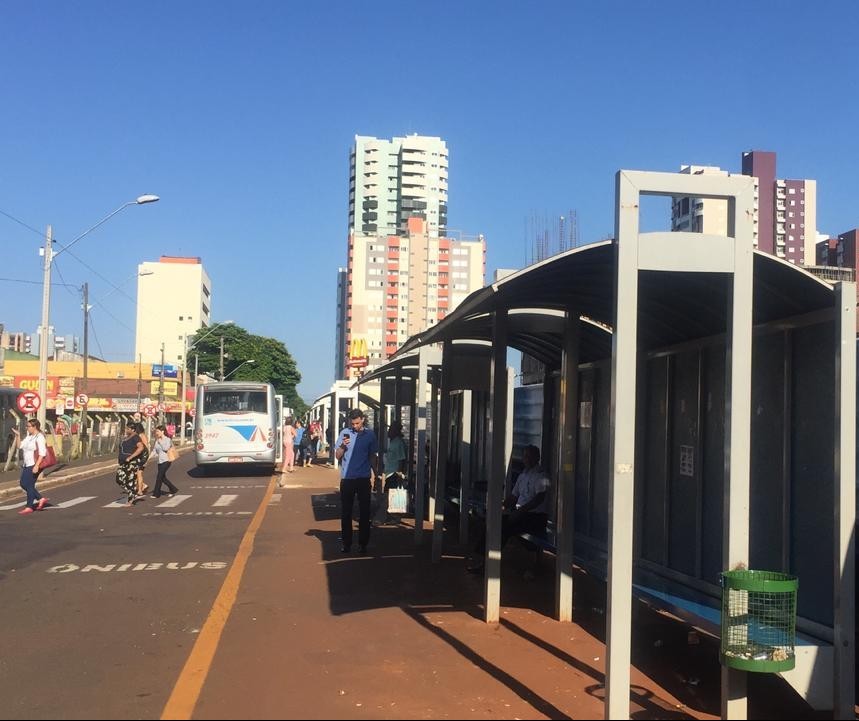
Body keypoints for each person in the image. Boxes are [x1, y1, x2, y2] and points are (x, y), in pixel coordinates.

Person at [467, 444, 551, 574]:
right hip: (521, 514)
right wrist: (500, 507)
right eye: (525, 456)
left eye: (529, 456)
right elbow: (513, 496)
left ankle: (488, 563)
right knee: (494, 522)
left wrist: (519, 511)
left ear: (537, 457)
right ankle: (483, 557)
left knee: (503, 527)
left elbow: (539, 499)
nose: (526, 459)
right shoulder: (523, 475)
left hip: (535, 517)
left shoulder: (542, 475)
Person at [334, 408, 379, 554]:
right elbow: (337, 456)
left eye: (357, 423)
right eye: (352, 423)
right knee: (346, 512)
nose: (355, 426)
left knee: (365, 512)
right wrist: (343, 446)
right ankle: (346, 543)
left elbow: (372, 456)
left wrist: (376, 474)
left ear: (363, 420)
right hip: (347, 478)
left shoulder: (370, 435)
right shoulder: (344, 433)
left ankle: (363, 544)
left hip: (363, 478)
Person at [12, 418, 49, 514]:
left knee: (29, 485)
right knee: (23, 484)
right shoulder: (29, 437)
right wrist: (18, 436)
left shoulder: (40, 437)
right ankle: (40, 498)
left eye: (28, 426)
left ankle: (29, 506)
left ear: (35, 427)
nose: (27, 428)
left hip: (34, 464)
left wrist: (36, 466)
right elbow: (19, 446)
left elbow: (42, 453)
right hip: (26, 464)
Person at [377, 421, 407, 524]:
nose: (388, 432)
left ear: (395, 431)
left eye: (390, 430)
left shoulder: (399, 442)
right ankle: (391, 517)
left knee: (389, 494)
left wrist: (400, 473)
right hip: (389, 472)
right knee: (390, 494)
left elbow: (401, 459)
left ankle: (391, 517)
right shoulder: (393, 441)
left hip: (395, 473)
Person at [116, 423, 146, 506]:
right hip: (123, 462)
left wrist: (131, 457)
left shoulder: (136, 437)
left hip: (131, 463)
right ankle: (132, 492)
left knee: (130, 481)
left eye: (128, 429)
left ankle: (131, 499)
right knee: (119, 479)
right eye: (126, 429)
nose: (126, 430)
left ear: (133, 430)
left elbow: (141, 447)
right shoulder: (126, 438)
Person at [151, 424, 179, 498]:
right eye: (156, 431)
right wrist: (148, 458)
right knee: (163, 478)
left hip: (167, 460)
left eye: (158, 431)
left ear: (162, 431)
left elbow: (166, 448)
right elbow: (154, 450)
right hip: (160, 461)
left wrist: (160, 441)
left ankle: (156, 493)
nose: (156, 433)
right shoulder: (157, 440)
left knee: (159, 477)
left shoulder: (167, 439)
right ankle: (173, 489)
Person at [133, 422, 151, 495]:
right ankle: (143, 486)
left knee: (139, 473)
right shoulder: (137, 436)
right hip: (138, 457)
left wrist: (146, 458)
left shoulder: (142, 436)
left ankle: (140, 489)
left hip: (142, 457)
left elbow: (146, 447)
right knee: (135, 473)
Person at [279, 416, 296, 483]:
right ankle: (284, 468)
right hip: (289, 441)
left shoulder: (284, 427)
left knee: (291, 454)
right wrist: (292, 436)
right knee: (288, 456)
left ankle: (291, 467)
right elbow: (295, 434)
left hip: (284, 441)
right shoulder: (291, 427)